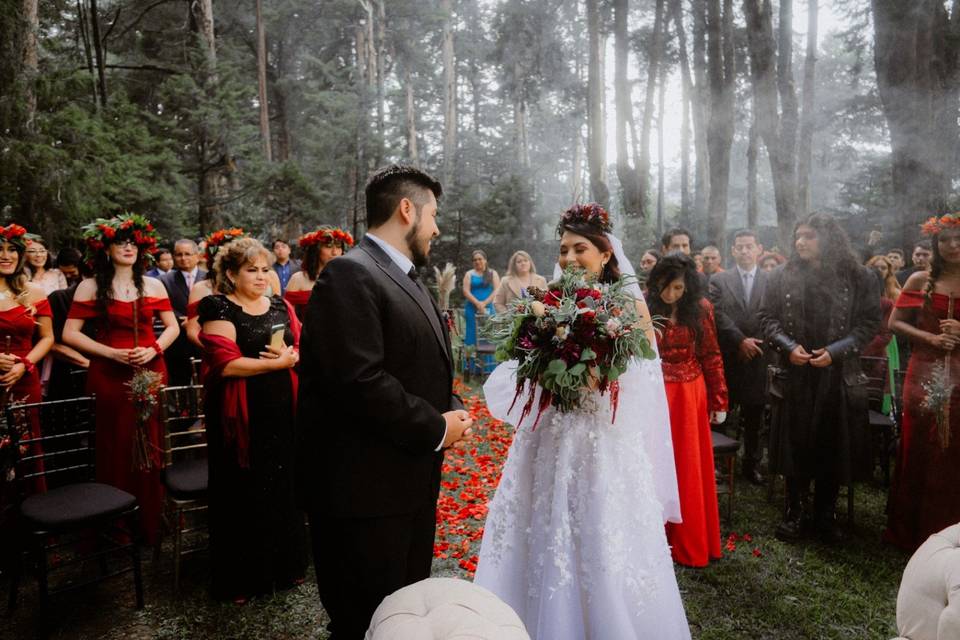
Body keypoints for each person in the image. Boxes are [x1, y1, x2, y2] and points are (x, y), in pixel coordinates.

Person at [477, 203, 689, 639]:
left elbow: (645, 379)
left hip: (600, 440)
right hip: (548, 436)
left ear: (606, 253)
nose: (569, 259)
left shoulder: (629, 304)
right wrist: (540, 368)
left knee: (599, 534)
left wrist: (596, 377)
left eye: (580, 249)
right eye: (563, 250)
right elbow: (526, 362)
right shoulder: (547, 299)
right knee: (538, 529)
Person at [297, 165, 472, 639]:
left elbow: (421, 361)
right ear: (407, 209)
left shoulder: (407, 276)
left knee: (403, 615)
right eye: (433, 215)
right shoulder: (349, 274)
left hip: (407, 480)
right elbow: (358, 379)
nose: (436, 228)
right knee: (365, 620)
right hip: (364, 493)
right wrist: (435, 427)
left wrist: (451, 405)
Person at [759, 213, 880, 543]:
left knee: (832, 443)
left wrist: (837, 351)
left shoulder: (860, 277)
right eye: (798, 235)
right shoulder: (781, 276)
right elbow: (767, 319)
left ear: (828, 239)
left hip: (837, 374)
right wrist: (788, 346)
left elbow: (869, 324)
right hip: (795, 372)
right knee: (795, 443)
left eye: (809, 236)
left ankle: (825, 514)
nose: (800, 241)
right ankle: (794, 512)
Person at [198, 237, 307, 602]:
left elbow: (299, 345)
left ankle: (285, 567)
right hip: (240, 416)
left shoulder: (279, 304)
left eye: (265, 270)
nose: (262, 277)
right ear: (231, 273)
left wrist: (291, 355)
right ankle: (243, 578)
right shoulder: (218, 307)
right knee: (242, 490)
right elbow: (224, 363)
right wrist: (275, 363)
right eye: (251, 270)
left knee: (282, 486)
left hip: (282, 410)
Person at [63, 214, 180, 545]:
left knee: (149, 440)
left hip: (149, 370)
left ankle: (150, 519)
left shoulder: (154, 284)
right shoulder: (89, 286)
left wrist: (155, 348)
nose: (128, 248)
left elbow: (174, 326)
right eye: (121, 242)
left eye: (134, 243)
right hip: (109, 374)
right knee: (114, 444)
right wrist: (109, 353)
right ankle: (116, 523)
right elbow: (69, 333)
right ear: (105, 248)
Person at [647, 252, 728, 567]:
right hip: (653, 392)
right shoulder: (646, 306)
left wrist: (720, 398)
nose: (670, 294)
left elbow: (711, 353)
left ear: (688, 286)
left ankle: (688, 541)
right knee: (656, 461)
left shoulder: (702, 309)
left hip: (690, 393)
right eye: (665, 287)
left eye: (678, 288)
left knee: (688, 464)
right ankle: (656, 539)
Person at [885, 214, 960, 551]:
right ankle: (911, 532)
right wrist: (930, 338)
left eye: (958, 239)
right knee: (919, 446)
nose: (953, 245)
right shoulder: (918, 280)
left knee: (954, 447)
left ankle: (950, 533)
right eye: (945, 240)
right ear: (935, 244)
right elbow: (895, 323)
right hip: (924, 370)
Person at [709, 229, 769, 485]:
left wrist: (753, 343)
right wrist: (740, 340)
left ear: (759, 249)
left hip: (759, 355)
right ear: (732, 251)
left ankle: (751, 464)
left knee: (755, 415)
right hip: (730, 357)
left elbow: (773, 314)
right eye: (739, 247)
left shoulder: (771, 280)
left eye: (749, 246)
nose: (744, 251)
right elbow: (717, 314)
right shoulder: (719, 281)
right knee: (722, 411)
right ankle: (719, 463)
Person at [0, 224, 55, 491]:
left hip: (24, 378)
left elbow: (47, 338)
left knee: (26, 444)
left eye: (12, 250)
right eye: (0, 250)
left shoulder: (34, 292)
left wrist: (26, 364)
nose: (6, 255)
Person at [160, 240, 206, 387]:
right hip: (177, 340)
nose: (183, 258)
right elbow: (164, 306)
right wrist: (183, 321)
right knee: (179, 382)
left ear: (197, 256)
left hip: (204, 337)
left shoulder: (209, 277)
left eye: (187, 254)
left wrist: (196, 320)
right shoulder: (164, 280)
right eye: (179, 254)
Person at [284, 227, 353, 320]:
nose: (335, 252)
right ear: (316, 250)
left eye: (338, 246)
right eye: (328, 246)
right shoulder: (298, 278)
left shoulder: (347, 278)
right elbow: (287, 316)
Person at [863, 255, 901, 415]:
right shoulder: (853, 302)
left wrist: (861, 349)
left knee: (875, 397)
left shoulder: (887, 302)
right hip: (854, 355)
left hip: (876, 353)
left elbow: (886, 333)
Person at [462, 249, 499, 344]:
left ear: (485, 260)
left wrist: (484, 303)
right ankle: (472, 358)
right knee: (472, 334)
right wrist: (478, 303)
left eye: (480, 259)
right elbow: (466, 291)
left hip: (489, 308)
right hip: (472, 308)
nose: (477, 261)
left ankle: (488, 359)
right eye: (475, 260)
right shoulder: (469, 274)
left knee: (488, 334)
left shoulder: (492, 273)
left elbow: (497, 290)